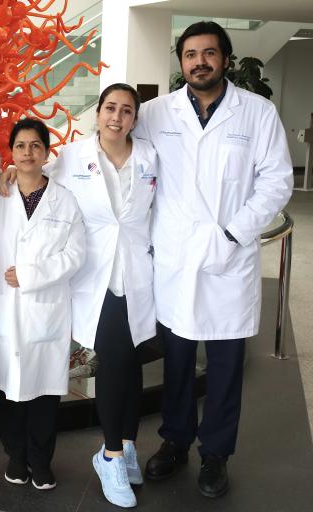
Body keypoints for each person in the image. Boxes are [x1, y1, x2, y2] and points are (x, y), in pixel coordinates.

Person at [134, 21, 293, 498]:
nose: (198, 62)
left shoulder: (257, 113)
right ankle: (175, 441)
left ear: (225, 58)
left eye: (208, 53)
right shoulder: (154, 113)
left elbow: (276, 181)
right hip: (176, 258)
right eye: (190, 54)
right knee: (177, 361)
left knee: (224, 367)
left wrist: (233, 233)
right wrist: (34, 167)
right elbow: (111, 147)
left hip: (229, 257)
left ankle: (216, 454)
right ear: (181, 62)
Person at [49, 84, 158, 508]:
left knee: (131, 362)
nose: (117, 116)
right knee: (113, 361)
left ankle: (127, 446)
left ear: (135, 118)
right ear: (97, 113)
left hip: (138, 273)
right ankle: (109, 455)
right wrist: (9, 176)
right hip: (95, 274)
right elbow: (40, 183)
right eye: (110, 108)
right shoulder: (72, 157)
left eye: (126, 110)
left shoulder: (149, 157)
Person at [0, 118, 85, 490]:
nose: (28, 152)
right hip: (4, 308)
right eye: (21, 145)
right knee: (7, 391)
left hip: (44, 306)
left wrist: (31, 274)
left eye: (35, 145)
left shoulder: (64, 200)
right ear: (11, 152)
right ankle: (15, 457)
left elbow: (76, 253)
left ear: (46, 152)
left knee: (43, 393)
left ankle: (41, 461)